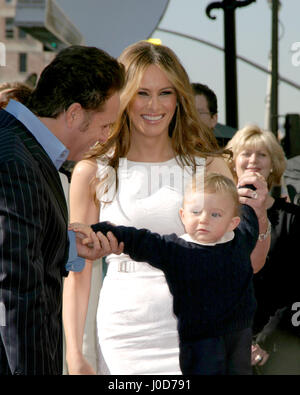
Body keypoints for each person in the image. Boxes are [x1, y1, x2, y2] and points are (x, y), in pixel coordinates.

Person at [63, 40, 270, 375]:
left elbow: (247, 264)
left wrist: (259, 219)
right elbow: (78, 273)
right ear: (123, 97)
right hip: (125, 330)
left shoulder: (210, 167)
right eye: (142, 93)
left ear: (179, 98)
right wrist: (75, 354)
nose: (154, 105)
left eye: (165, 93)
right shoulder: (93, 171)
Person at [0, 45, 125, 375]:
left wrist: (67, 245)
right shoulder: (16, 159)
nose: (105, 139)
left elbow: (22, 248)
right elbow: (16, 288)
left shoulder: (23, 147)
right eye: (105, 126)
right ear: (74, 114)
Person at [70, 172, 271, 375]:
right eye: (196, 211)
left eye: (215, 214)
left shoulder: (242, 240)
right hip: (199, 342)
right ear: (183, 215)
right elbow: (138, 239)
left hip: (239, 337)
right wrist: (97, 231)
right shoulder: (176, 250)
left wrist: (251, 184)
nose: (204, 219)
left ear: (232, 223)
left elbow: (249, 212)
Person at [225, 124, 300, 374]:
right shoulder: (213, 217)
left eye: (262, 154)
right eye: (246, 153)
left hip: (278, 349)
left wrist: (262, 343)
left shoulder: (293, 219)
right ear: (233, 161)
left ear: (273, 164)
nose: (253, 160)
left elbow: (295, 288)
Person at [191, 83, 236, 147]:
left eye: (199, 113)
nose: (191, 118)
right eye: (186, 112)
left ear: (213, 119)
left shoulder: (228, 155)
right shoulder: (173, 156)